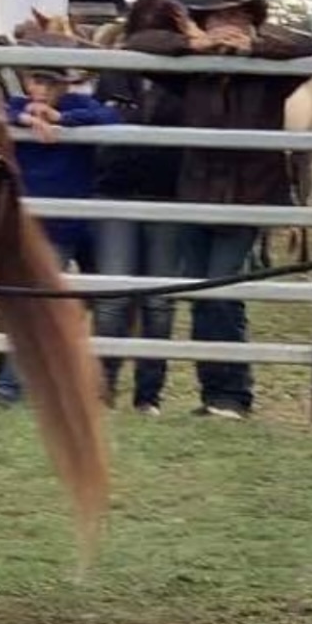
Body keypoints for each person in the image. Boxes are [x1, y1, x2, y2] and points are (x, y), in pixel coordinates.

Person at [121, 0, 312, 419]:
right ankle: (216, 394)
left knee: (222, 290)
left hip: (249, 196)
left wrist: (255, 47)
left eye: (236, 16)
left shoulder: (270, 72)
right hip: (197, 194)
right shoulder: (193, 70)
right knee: (203, 294)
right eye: (217, 18)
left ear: (252, 22)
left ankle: (233, 393)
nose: (227, 24)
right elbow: (137, 45)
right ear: (204, 26)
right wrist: (191, 45)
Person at [0, 65, 120, 405]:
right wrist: (24, 119)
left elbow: (110, 119)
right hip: (34, 224)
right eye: (37, 80)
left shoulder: (79, 106)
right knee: (34, 303)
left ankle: (93, 383)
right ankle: (11, 384)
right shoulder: (17, 105)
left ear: (64, 85)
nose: (43, 89)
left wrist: (62, 120)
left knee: (107, 301)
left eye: (51, 82)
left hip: (71, 223)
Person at [90, 63, 186, 416]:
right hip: (115, 191)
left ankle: (148, 395)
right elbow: (94, 118)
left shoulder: (182, 76)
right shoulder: (113, 75)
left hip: (167, 195)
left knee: (159, 302)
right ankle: (102, 390)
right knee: (111, 298)